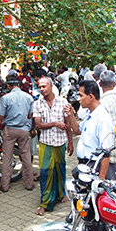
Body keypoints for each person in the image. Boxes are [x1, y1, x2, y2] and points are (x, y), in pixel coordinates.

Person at [33, 77, 73, 216]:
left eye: (44, 86)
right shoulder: (37, 104)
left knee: (60, 169)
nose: (42, 89)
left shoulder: (63, 101)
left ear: (51, 86)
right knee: (45, 173)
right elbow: (38, 125)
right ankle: (45, 203)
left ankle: (62, 194)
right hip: (45, 143)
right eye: (40, 87)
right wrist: (55, 123)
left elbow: (67, 122)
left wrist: (71, 142)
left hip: (61, 142)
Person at [65, 80, 114, 179]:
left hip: (94, 167)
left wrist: (100, 179)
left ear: (91, 97)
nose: (78, 99)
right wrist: (71, 116)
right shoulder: (90, 114)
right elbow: (78, 130)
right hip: (85, 165)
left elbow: (106, 152)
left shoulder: (103, 118)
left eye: (81, 95)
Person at [0, 76, 34, 192]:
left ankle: (5, 186)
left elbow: (1, 116)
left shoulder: (6, 98)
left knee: (7, 158)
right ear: (19, 85)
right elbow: (30, 115)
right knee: (26, 157)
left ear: (9, 86)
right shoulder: (28, 97)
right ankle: (29, 184)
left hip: (10, 130)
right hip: (24, 130)